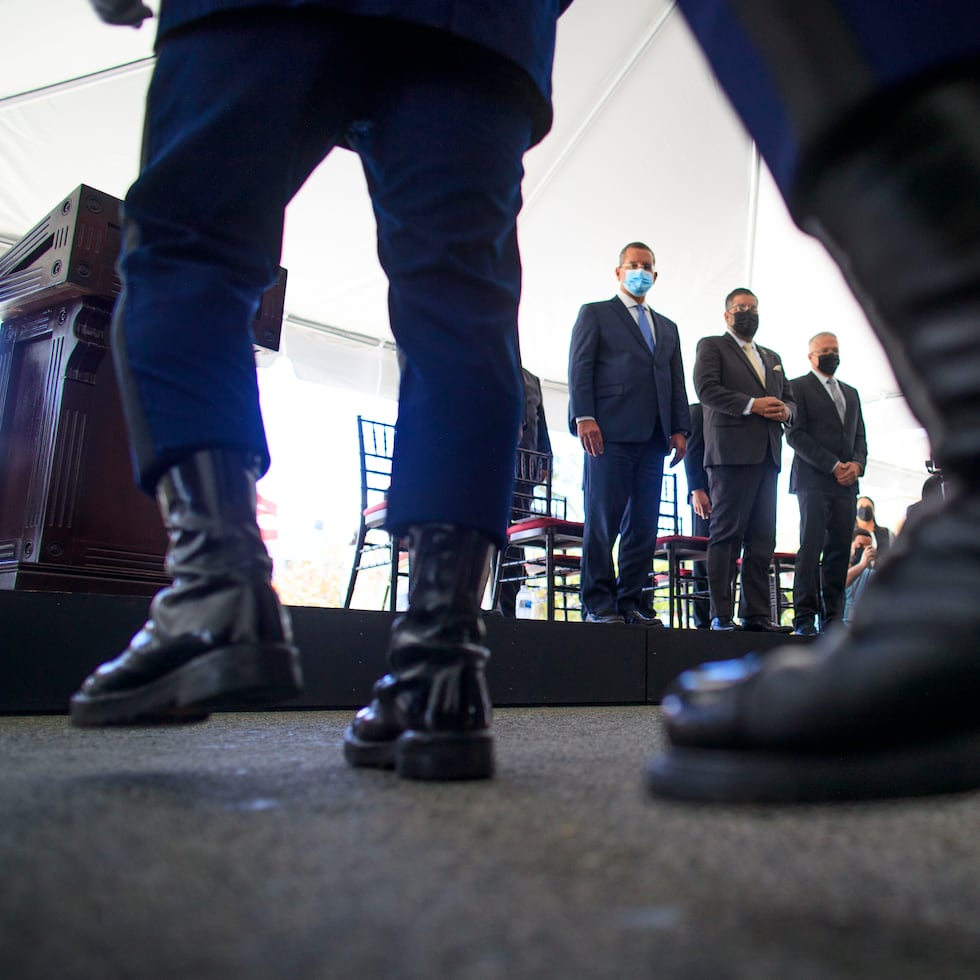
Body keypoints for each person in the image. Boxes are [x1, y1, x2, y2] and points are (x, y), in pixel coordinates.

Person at [71, 0, 573, 785]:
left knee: (185, 249)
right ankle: (440, 666)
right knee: (462, 310)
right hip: (482, 23)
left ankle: (216, 587)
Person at [649, 1, 980, 802]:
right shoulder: (733, 357)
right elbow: (711, 395)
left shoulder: (802, 373)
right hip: (759, 460)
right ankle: (738, 620)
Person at [567, 242, 690, 625]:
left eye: (646, 266)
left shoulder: (667, 327)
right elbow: (580, 366)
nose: (640, 270)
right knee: (603, 520)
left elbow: (676, 381)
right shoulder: (596, 314)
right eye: (633, 264)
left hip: (654, 437)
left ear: (655, 275)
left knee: (643, 525)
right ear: (618, 272)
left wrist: (681, 427)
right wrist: (584, 415)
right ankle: (598, 603)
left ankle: (630, 602)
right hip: (608, 433)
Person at [692, 288, 795, 632]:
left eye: (753, 308)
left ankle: (756, 614)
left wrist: (786, 410)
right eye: (740, 308)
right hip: (730, 453)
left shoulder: (772, 356)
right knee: (726, 535)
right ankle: (720, 614)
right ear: (727, 315)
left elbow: (791, 400)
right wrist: (753, 404)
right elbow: (705, 389)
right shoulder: (712, 346)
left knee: (763, 538)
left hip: (768, 453)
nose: (748, 313)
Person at [786, 332, 868, 635]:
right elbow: (795, 435)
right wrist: (833, 465)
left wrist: (857, 466)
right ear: (811, 356)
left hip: (846, 485)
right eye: (824, 351)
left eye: (835, 350)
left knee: (838, 550)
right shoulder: (797, 387)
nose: (831, 355)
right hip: (814, 480)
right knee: (811, 548)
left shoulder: (851, 392)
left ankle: (832, 618)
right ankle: (804, 617)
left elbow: (859, 436)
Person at [495, 366, 553, 618]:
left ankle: (512, 598)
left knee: (516, 533)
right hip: (496, 461)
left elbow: (541, 423)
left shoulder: (533, 379)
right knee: (502, 533)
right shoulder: (494, 364)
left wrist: (545, 459)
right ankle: (502, 603)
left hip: (525, 470)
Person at [683, 403, 712, 629]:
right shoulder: (697, 411)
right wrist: (697, 490)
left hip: (730, 495)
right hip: (705, 496)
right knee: (703, 558)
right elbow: (692, 453)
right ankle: (702, 621)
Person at [842, 528, 876, 626]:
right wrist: (861, 564)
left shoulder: (870, 574)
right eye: (859, 546)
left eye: (867, 548)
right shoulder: (834, 570)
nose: (862, 550)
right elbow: (840, 584)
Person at [854, 495, 893, 561]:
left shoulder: (887, 533)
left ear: (873, 510)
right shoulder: (850, 534)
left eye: (868, 507)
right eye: (861, 507)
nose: (865, 509)